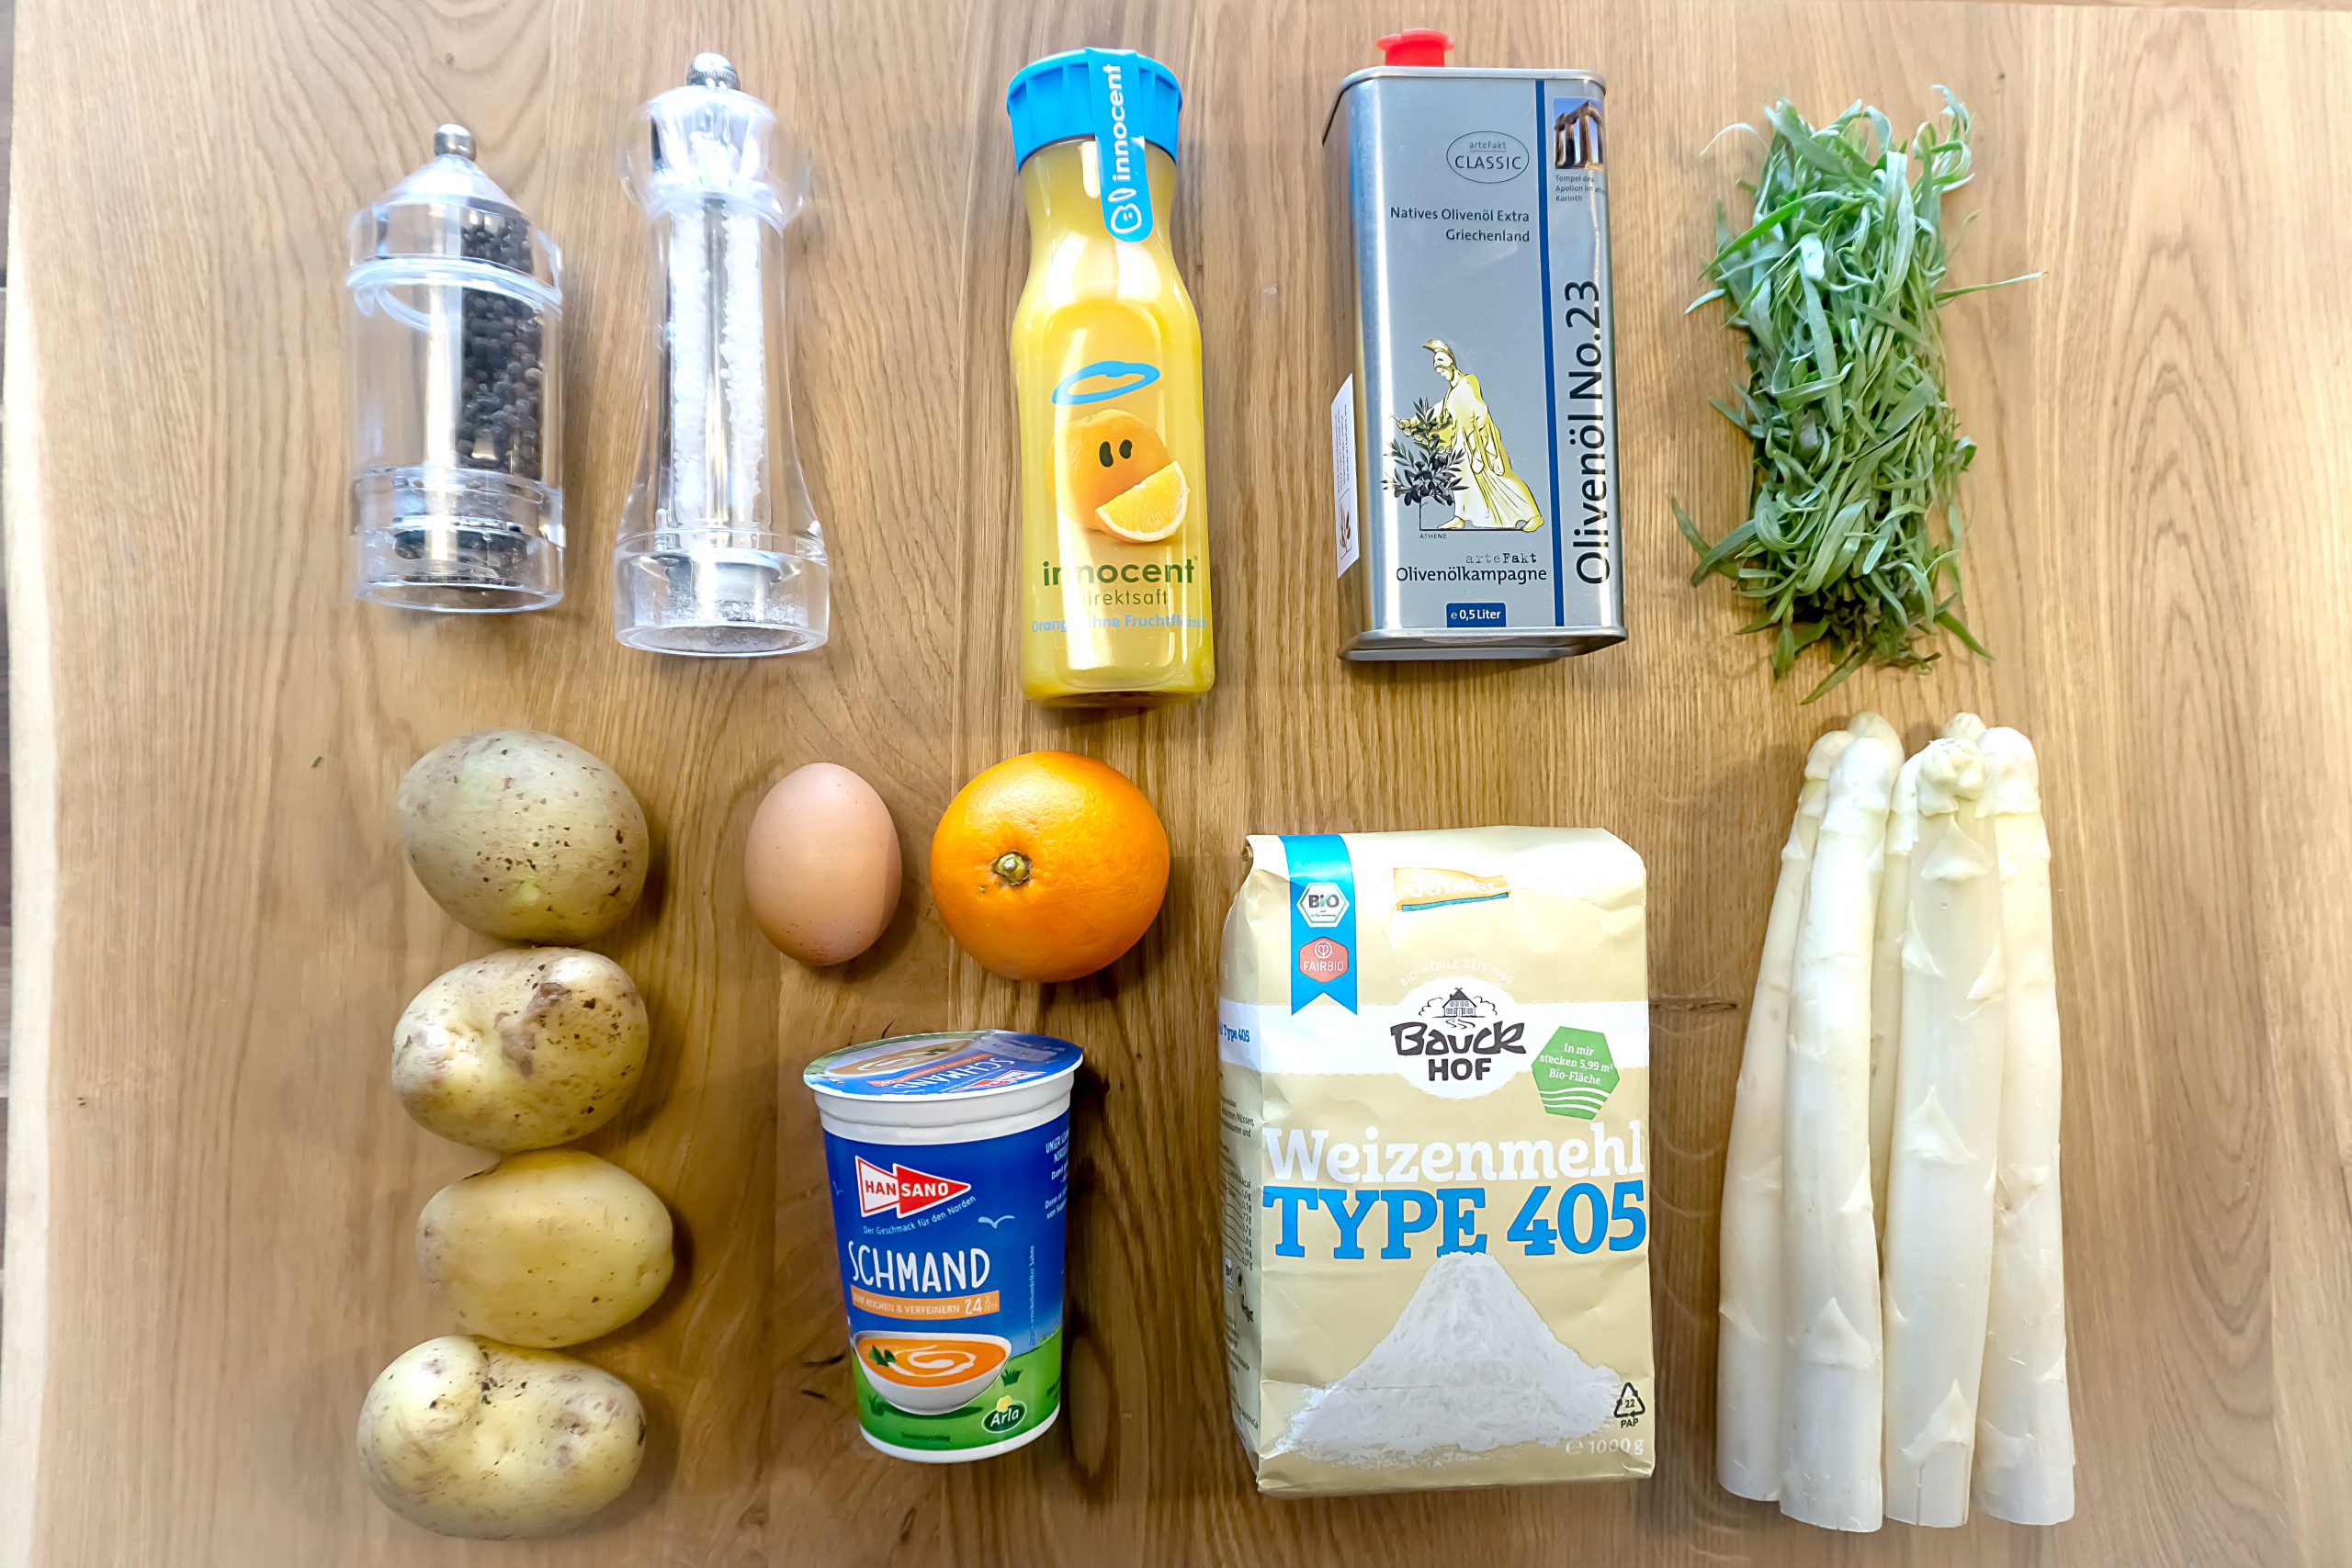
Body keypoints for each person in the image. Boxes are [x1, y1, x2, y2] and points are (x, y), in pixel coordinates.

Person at [1425, 340, 1544, 531]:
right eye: (1437, 369)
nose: (1440, 372)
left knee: (1501, 476)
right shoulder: (1451, 391)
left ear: (1450, 363)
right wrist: (1416, 423)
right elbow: (1441, 411)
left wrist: (1480, 438)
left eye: (1441, 367)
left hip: (1479, 439)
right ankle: (1460, 517)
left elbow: (1479, 410)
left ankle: (1534, 516)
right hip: (1460, 440)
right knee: (1459, 477)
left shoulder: (1468, 381)